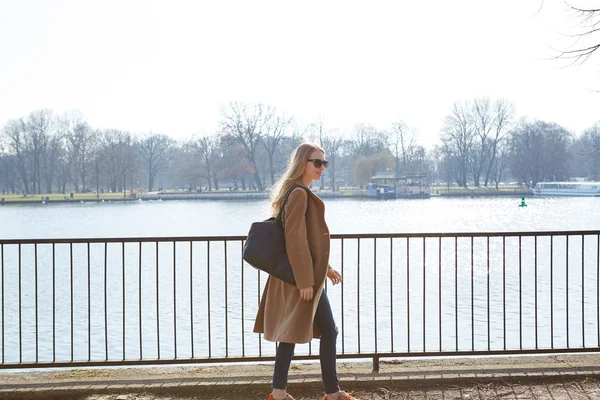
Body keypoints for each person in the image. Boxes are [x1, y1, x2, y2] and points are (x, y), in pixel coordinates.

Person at [253, 143, 357, 400]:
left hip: (301, 276)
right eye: (317, 162)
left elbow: (308, 241)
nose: (322, 167)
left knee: (291, 332)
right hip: (301, 278)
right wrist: (305, 282)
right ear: (303, 163)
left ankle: (279, 393)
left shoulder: (296, 192)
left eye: (325, 163)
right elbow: (296, 240)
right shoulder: (299, 194)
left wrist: (327, 269)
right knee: (327, 331)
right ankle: (332, 393)